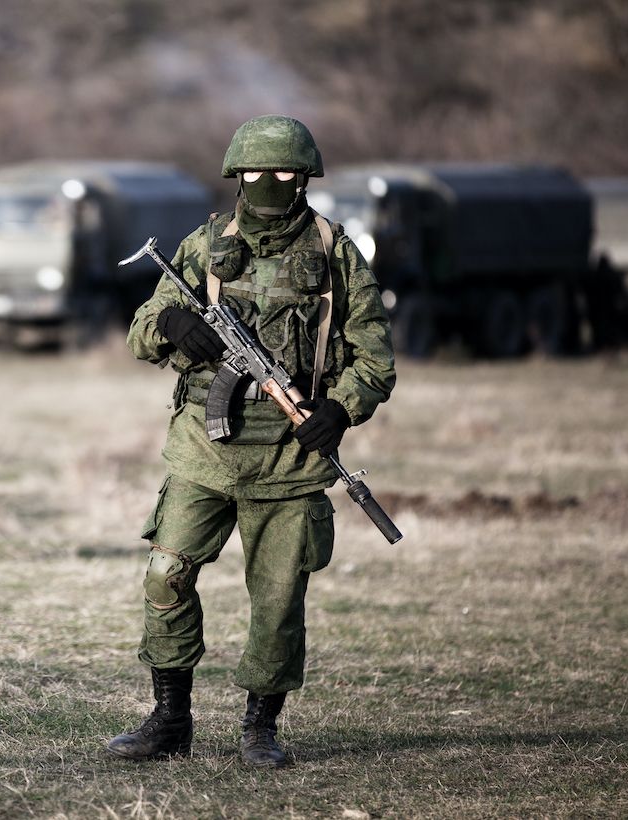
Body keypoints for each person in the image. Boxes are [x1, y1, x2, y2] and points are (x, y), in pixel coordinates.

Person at [107, 115, 396, 767]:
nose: (271, 182)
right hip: (203, 454)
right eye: (258, 172)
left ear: (307, 178)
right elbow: (139, 332)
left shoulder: (335, 252)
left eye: (286, 172)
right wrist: (175, 322)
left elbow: (376, 360)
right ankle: (169, 720)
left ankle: (260, 728)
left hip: (292, 460)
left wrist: (340, 410)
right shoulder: (204, 245)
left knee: (277, 600)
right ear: (236, 175)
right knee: (166, 574)